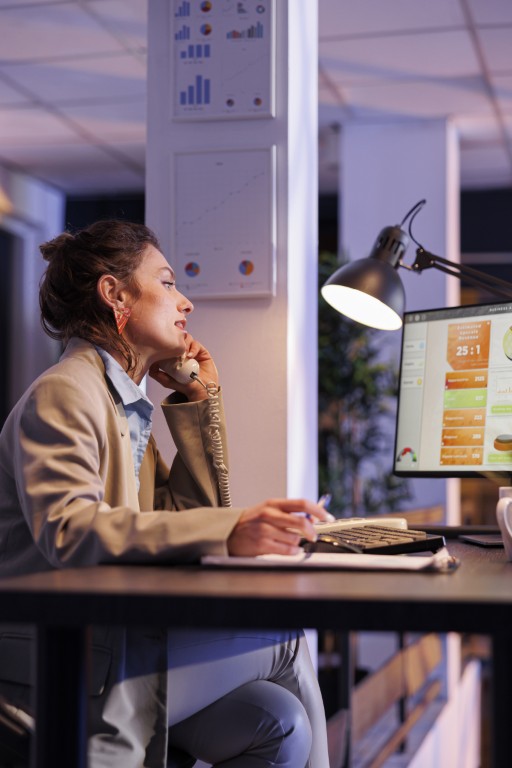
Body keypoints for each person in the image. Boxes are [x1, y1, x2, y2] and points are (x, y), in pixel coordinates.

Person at [0, 219, 332, 768]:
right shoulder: (64, 392)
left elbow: (184, 523)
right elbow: (71, 531)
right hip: (57, 659)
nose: (186, 303)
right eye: (170, 282)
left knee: (279, 721)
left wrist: (199, 399)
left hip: (111, 642)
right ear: (115, 295)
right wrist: (231, 530)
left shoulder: (124, 403)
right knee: (286, 638)